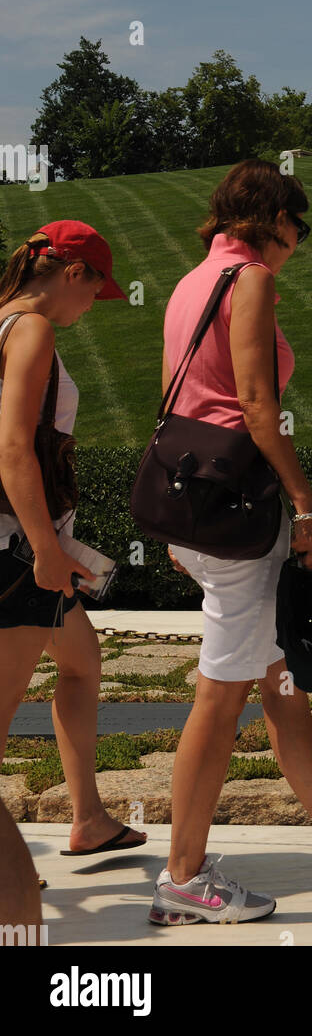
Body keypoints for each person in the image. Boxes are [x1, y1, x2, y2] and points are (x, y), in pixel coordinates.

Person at [149, 159, 312, 926]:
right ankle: (183, 878)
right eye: (299, 226)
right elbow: (257, 406)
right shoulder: (250, 280)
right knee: (219, 697)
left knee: (279, 685)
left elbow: (178, 400)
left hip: (198, 505)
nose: (299, 241)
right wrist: (306, 502)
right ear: (276, 220)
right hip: (240, 511)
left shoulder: (195, 280)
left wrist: (181, 525)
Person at [0, 223, 147, 877]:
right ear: (72, 273)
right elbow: (13, 451)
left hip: (27, 545)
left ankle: (88, 818)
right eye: (96, 290)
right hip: (16, 550)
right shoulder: (32, 331)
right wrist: (43, 550)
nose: (93, 308)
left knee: (82, 663)